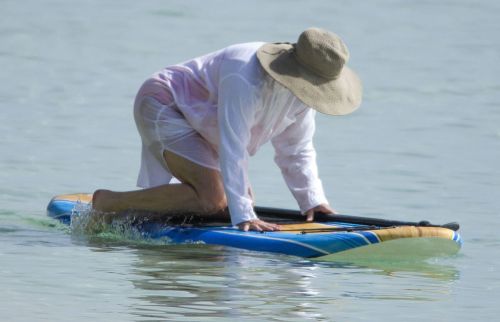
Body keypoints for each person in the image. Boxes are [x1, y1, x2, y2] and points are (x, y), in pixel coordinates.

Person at [92, 27, 362, 232]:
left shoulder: (304, 96)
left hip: (202, 121)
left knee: (224, 205)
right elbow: (233, 144)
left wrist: (312, 202)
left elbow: (297, 150)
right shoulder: (244, 75)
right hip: (165, 103)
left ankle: (151, 217)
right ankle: (109, 203)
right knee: (215, 199)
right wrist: (244, 215)